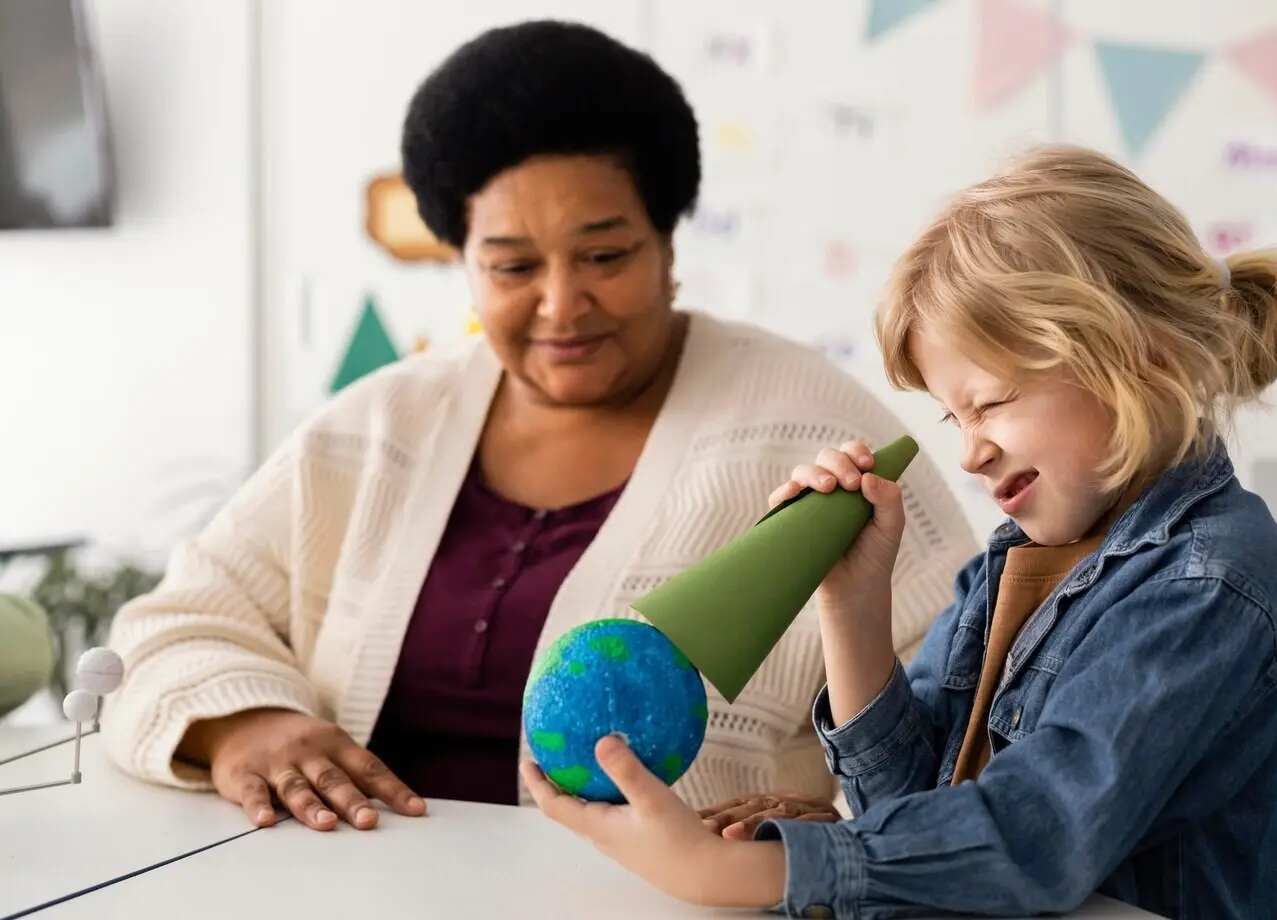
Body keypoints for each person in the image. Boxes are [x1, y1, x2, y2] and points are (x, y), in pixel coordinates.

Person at [100, 20, 977, 834]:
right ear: (465, 265)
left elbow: (964, 711)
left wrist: (833, 822)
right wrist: (249, 724)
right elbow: (174, 625)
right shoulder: (375, 428)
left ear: (669, 246)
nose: (562, 303)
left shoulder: (815, 432)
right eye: (513, 265)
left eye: (605, 255)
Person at [521, 144, 1277, 920]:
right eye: (952, 416)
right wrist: (852, 604)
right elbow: (911, 805)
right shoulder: (1011, 565)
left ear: (1140, 358)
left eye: (993, 402)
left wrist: (737, 871)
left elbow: (1039, 836)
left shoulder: (1211, 588)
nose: (969, 450)